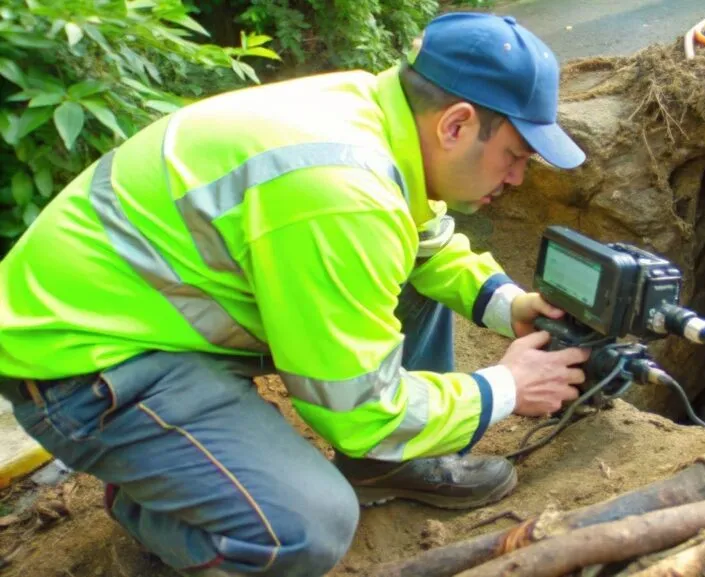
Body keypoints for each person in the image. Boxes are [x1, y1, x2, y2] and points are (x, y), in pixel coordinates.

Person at [0, 12, 591, 577]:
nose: (517, 178)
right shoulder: (341, 189)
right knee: (305, 527)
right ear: (456, 124)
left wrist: (509, 304)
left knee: (401, 275)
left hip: (142, 308)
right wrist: (507, 387)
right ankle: (156, 504)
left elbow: (425, 245)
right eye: (514, 155)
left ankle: (389, 469)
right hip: (81, 364)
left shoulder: (379, 114)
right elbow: (363, 414)